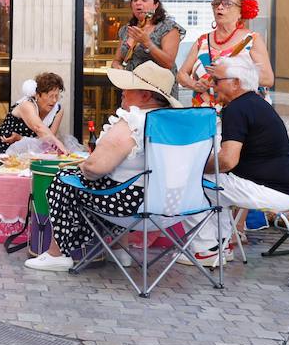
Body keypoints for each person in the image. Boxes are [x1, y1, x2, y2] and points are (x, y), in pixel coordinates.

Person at [25, 62, 180, 272]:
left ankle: (57, 253)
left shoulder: (135, 120)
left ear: (144, 96)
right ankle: (119, 249)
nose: (122, 92)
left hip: (133, 205)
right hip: (173, 204)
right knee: (118, 179)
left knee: (65, 179)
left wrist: (83, 167)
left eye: (129, 88)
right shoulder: (173, 122)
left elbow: (95, 167)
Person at [181, 53, 289, 268]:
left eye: (217, 81)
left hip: (271, 192)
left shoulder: (237, 109)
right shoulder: (257, 103)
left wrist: (194, 167)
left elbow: (227, 161)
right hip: (286, 190)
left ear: (236, 82)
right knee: (215, 187)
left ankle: (206, 249)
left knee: (190, 183)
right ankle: (222, 246)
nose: (212, 86)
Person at [177, 0, 275, 109]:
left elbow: (267, 79)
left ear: (240, 12)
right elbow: (181, 74)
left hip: (242, 112)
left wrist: (227, 72)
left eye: (227, 4)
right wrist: (194, 84)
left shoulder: (251, 40)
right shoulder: (203, 40)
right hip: (206, 114)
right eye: (216, 4)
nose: (220, 7)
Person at [111, 0, 183, 74]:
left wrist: (147, 42)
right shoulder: (127, 29)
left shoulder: (168, 28)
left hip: (157, 86)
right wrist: (117, 66)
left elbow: (169, 63)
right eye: (135, 0)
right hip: (131, 86)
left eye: (144, 0)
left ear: (155, 5)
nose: (138, 3)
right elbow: (117, 60)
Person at [0, 72, 66, 154]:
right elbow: (38, 127)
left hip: (32, 153)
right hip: (3, 150)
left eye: (57, 96)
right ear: (37, 95)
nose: (54, 100)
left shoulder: (58, 109)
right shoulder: (27, 104)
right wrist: (59, 144)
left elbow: (48, 141)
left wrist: (21, 138)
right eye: (50, 96)